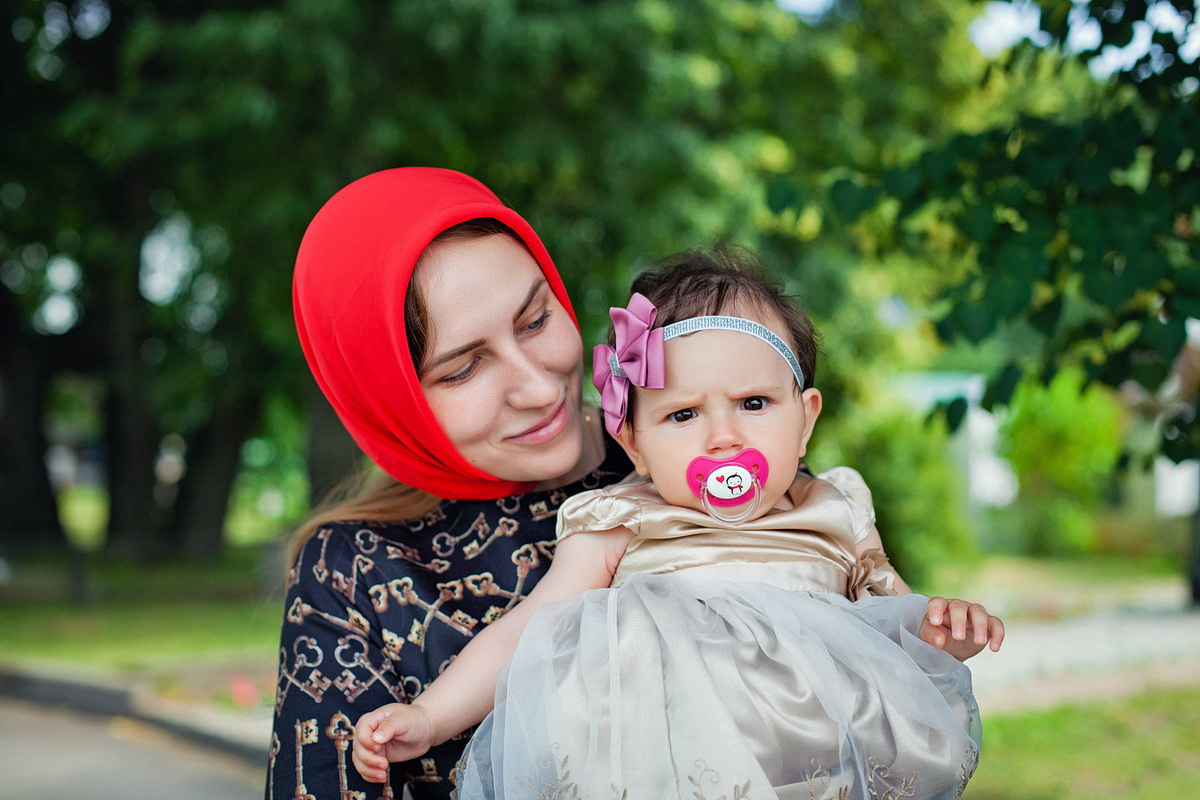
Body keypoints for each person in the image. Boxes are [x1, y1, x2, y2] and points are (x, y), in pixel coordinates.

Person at [352, 246, 1005, 800]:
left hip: (816, 765)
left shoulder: (835, 506)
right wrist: (429, 716)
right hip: (664, 765)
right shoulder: (622, 517)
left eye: (753, 403)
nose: (723, 437)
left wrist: (938, 631)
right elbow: (523, 631)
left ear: (805, 418)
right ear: (633, 443)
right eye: (683, 414)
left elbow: (886, 614)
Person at [268, 167, 634, 800]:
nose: (542, 388)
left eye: (535, 321)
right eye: (464, 370)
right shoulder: (353, 573)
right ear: (390, 401)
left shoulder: (695, 444)